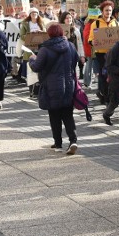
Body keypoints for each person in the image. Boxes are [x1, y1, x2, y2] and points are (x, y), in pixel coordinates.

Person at [29, 23, 79, 155]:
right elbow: (76, 61)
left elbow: (37, 67)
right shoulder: (70, 46)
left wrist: (32, 59)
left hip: (51, 85)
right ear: (62, 33)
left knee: (54, 115)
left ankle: (58, 143)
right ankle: (73, 140)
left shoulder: (45, 49)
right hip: (69, 84)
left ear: (49, 34)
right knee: (68, 115)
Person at [88, 0, 118, 102]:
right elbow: (90, 39)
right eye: (106, 10)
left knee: (112, 75)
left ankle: (110, 95)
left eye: (110, 10)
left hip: (113, 54)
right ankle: (104, 95)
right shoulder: (96, 23)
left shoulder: (115, 22)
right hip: (101, 54)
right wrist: (93, 42)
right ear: (102, 11)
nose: (108, 12)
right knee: (103, 75)